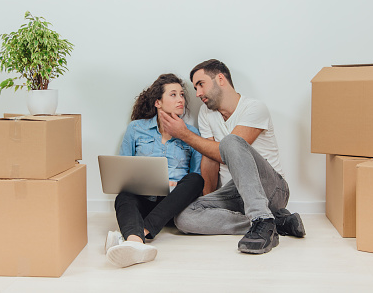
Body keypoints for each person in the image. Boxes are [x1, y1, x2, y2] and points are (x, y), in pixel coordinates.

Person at [159, 59, 305, 255]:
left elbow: (224, 152)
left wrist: (183, 133)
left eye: (201, 84)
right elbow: (209, 158)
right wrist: (206, 201)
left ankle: (263, 218)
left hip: (270, 188)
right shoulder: (206, 113)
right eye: (195, 88)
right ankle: (274, 222)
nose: (198, 93)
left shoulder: (254, 108)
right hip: (234, 192)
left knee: (230, 142)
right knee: (183, 217)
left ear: (220, 79)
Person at [105, 73, 204, 267]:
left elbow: (197, 176)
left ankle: (137, 235)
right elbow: (122, 171)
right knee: (123, 196)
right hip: (143, 200)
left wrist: (175, 184)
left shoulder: (192, 133)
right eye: (173, 95)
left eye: (182, 95)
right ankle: (135, 243)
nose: (180, 100)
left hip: (173, 205)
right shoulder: (135, 129)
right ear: (158, 102)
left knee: (195, 180)